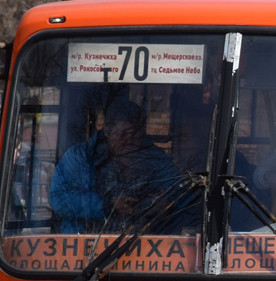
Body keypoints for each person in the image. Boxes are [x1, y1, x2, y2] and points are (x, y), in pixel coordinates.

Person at [50, 97, 182, 234]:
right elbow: (60, 200)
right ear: (106, 131)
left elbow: (179, 199)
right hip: (86, 247)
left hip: (144, 246)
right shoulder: (80, 157)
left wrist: (165, 207)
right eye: (123, 134)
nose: (129, 141)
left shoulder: (157, 160)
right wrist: (108, 204)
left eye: (135, 135)